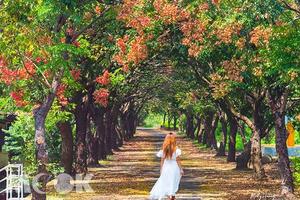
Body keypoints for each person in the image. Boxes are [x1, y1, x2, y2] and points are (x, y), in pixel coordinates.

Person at [149, 132, 184, 200]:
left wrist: (161, 169)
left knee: (166, 182)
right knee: (173, 182)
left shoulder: (164, 150)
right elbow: (177, 160)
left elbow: (162, 160)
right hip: (174, 168)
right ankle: (172, 196)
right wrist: (181, 169)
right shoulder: (176, 150)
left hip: (166, 167)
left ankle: (170, 196)